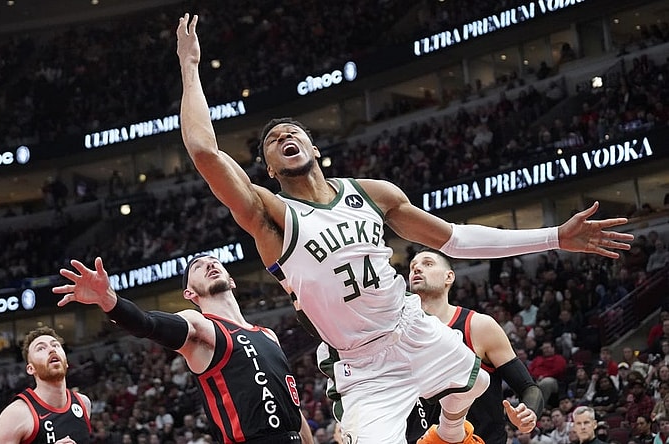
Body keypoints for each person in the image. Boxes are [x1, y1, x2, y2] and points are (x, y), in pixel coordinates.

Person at [175, 13, 633, 444]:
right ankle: (449, 428)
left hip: (411, 327)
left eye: (292, 132)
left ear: (314, 145)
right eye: (272, 141)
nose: (283, 139)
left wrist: (554, 237)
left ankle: (450, 429)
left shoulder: (373, 193)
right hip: (361, 363)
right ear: (270, 169)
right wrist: (190, 66)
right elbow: (204, 153)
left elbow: (455, 238)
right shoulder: (269, 216)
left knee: (474, 383)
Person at [53, 256, 314, 443]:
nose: (209, 264)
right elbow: (148, 324)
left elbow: (294, 409)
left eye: (214, 262)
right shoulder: (201, 326)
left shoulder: (268, 335)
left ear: (232, 280)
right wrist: (108, 299)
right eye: (198, 267)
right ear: (189, 293)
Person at [404, 250, 544, 444]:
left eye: (428, 264)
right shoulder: (400, 334)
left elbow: (528, 387)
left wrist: (528, 412)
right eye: (412, 267)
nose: (417, 268)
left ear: (449, 276)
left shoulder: (478, 326)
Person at [0, 326, 92, 444]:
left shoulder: (84, 403)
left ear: (66, 362)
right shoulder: (17, 414)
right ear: (31, 369)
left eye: (55, 345)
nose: (52, 350)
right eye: (41, 348)